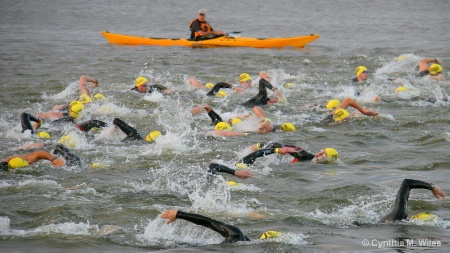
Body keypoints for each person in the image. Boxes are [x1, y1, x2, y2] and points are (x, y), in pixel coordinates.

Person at [161, 210, 281, 243]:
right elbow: (209, 222)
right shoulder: (237, 236)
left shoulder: (237, 235)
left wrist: (180, 214)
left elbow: (209, 222)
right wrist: (179, 214)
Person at [191, 103, 296, 136]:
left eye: (230, 120)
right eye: (230, 120)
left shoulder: (219, 122)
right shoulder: (248, 126)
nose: (229, 120)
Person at [380, 179, 446, 222]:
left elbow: (407, 183)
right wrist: (432, 186)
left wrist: (433, 187)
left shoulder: (398, 215)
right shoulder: (400, 216)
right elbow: (406, 182)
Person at [236, 142, 338, 167]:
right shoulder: (303, 155)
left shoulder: (322, 167)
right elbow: (281, 146)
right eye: (321, 151)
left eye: (323, 154)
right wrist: (259, 145)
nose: (319, 154)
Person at [188, 72, 253, 93]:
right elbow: (237, 89)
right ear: (241, 82)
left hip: (219, 87)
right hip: (213, 87)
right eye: (247, 81)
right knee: (200, 86)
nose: (250, 83)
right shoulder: (240, 88)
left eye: (250, 81)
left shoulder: (247, 88)